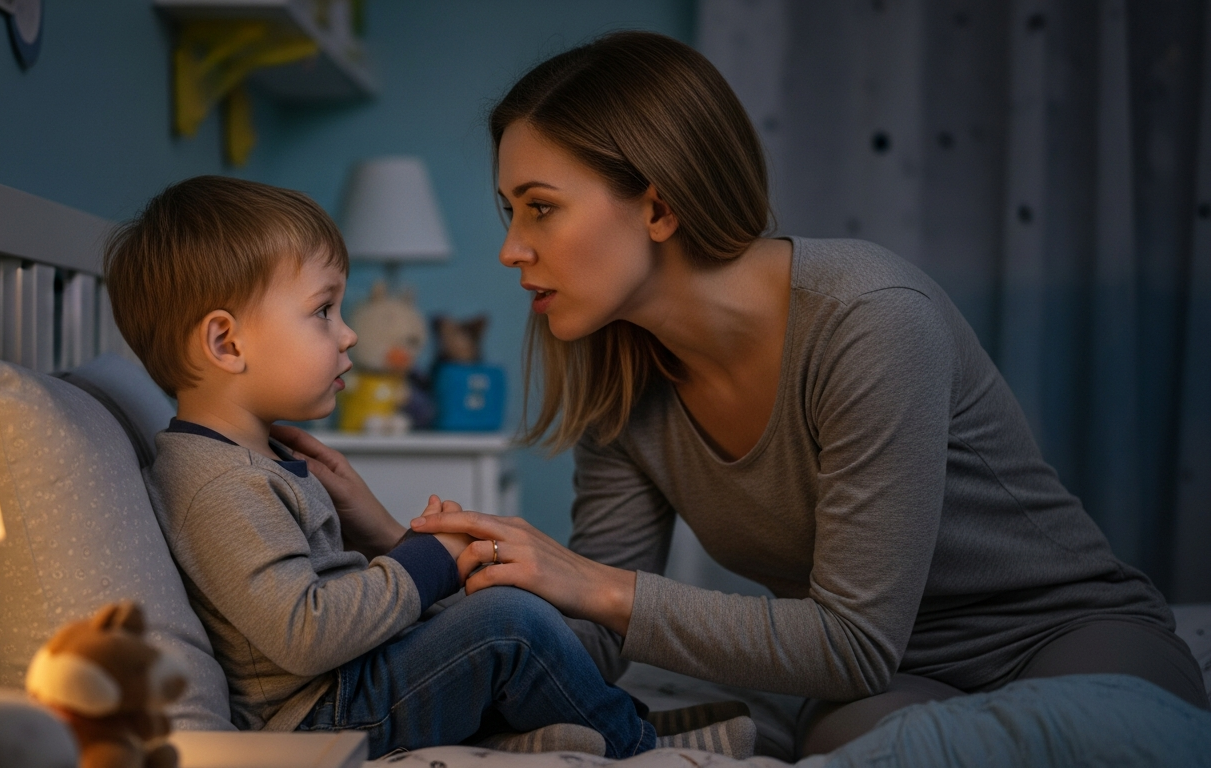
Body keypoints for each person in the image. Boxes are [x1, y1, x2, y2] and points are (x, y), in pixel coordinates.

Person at [409, 30, 1210, 760]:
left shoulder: (870, 318)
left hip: (1055, 633)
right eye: (510, 212)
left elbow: (848, 638)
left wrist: (594, 583)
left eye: (540, 208)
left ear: (658, 204)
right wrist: (432, 579)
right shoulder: (621, 382)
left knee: (1125, 733)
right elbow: (601, 638)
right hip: (879, 682)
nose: (513, 250)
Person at [101, 176, 756, 759]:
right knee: (505, 624)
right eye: (323, 310)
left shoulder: (255, 456)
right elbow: (305, 633)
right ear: (227, 342)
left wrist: (392, 543)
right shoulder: (216, 483)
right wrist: (424, 558)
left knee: (495, 607)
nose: (349, 332)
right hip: (321, 718)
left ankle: (576, 726)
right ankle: (640, 745)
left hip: (350, 684)